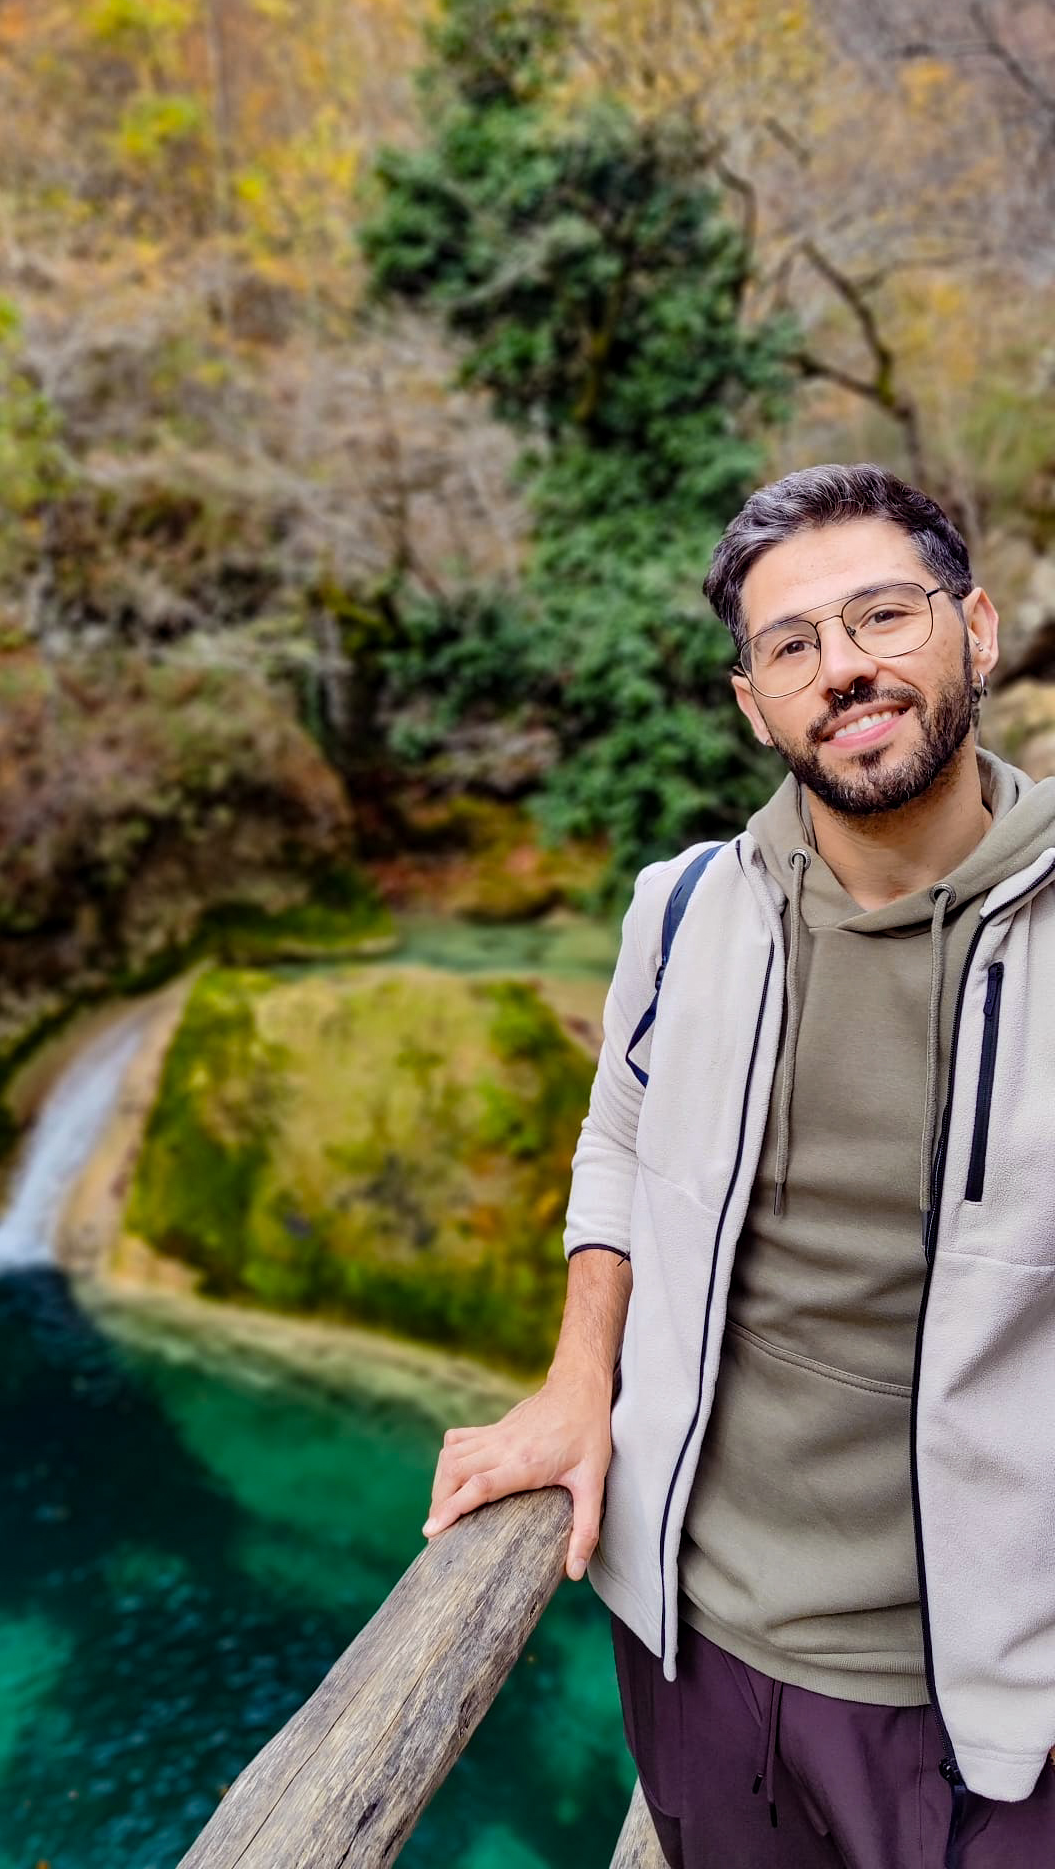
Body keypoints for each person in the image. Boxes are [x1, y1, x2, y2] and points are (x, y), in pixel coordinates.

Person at [422, 465, 1055, 1869]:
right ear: (752, 703)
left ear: (980, 629)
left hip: (994, 1713)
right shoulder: (687, 909)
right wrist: (579, 1377)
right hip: (694, 1657)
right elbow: (623, 1132)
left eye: (884, 615)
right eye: (792, 646)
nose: (845, 668)